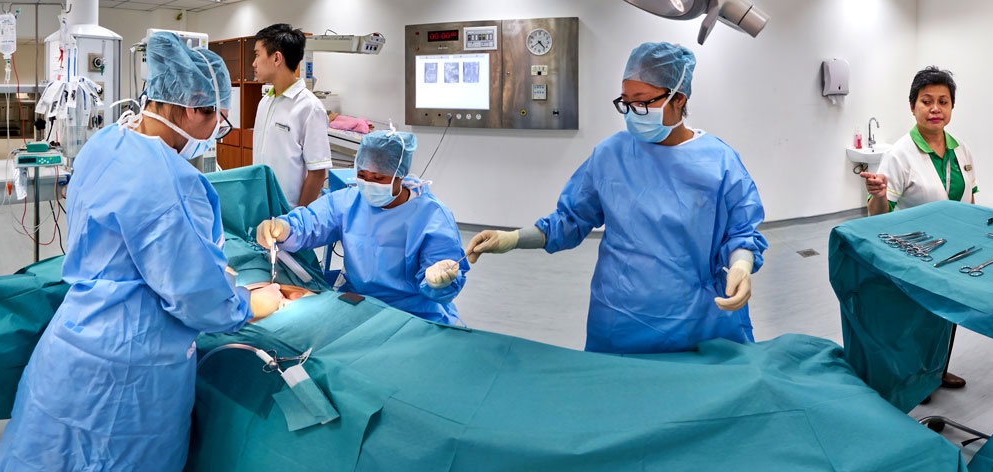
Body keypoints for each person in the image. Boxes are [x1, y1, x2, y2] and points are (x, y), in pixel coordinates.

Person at [0, 32, 282, 471]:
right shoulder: (171, 183)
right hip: (129, 372)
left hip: (71, 347)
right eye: (217, 123)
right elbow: (199, 298)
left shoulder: (104, 143)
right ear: (190, 109)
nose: (216, 135)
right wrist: (249, 303)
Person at [463, 42, 768, 354]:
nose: (632, 113)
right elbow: (570, 220)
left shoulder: (719, 161)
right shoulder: (611, 155)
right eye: (625, 102)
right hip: (622, 317)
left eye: (642, 102)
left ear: (679, 99)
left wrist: (741, 267)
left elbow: (741, 231)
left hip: (700, 319)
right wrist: (513, 238)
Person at [253, 130, 470, 325]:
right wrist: (284, 227)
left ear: (399, 175)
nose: (368, 184)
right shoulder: (349, 201)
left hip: (414, 314)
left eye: (378, 178)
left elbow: (442, 279)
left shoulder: (432, 217)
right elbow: (312, 221)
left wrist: (439, 281)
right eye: (362, 175)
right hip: (359, 305)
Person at [858, 66, 979, 389]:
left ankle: (937, 369)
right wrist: (879, 196)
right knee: (915, 317)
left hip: (955, 251)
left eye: (944, 101)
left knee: (947, 314)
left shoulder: (960, 149)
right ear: (913, 106)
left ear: (952, 107)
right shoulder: (900, 154)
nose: (935, 108)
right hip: (915, 252)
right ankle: (913, 377)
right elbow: (879, 216)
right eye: (926, 101)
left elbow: (970, 198)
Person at [251, 23, 333, 208]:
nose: (254, 63)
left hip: (290, 214)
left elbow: (318, 172)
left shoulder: (309, 107)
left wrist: (297, 219)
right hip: (261, 207)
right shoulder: (265, 102)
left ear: (277, 58)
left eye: (257, 55)